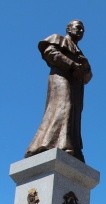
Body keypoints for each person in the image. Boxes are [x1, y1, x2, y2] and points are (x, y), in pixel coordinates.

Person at [24, 20, 92, 163]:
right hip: (60, 77)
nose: (80, 31)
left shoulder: (81, 54)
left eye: (83, 30)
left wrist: (85, 66)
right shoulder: (58, 39)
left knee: (74, 112)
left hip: (76, 85)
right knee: (63, 105)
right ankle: (53, 144)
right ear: (68, 28)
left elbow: (87, 78)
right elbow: (50, 53)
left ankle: (71, 145)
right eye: (78, 28)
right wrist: (72, 65)